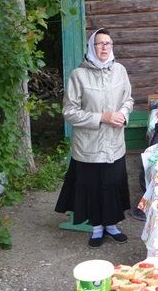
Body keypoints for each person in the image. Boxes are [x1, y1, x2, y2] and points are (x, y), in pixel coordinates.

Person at [55, 28, 134, 248]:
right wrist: (102, 117)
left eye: (108, 43)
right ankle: (97, 228)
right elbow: (69, 111)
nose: (104, 47)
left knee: (112, 184)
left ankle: (112, 225)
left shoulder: (120, 70)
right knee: (93, 186)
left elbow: (128, 100)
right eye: (99, 43)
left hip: (114, 141)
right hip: (89, 145)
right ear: (91, 47)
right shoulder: (78, 75)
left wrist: (123, 115)